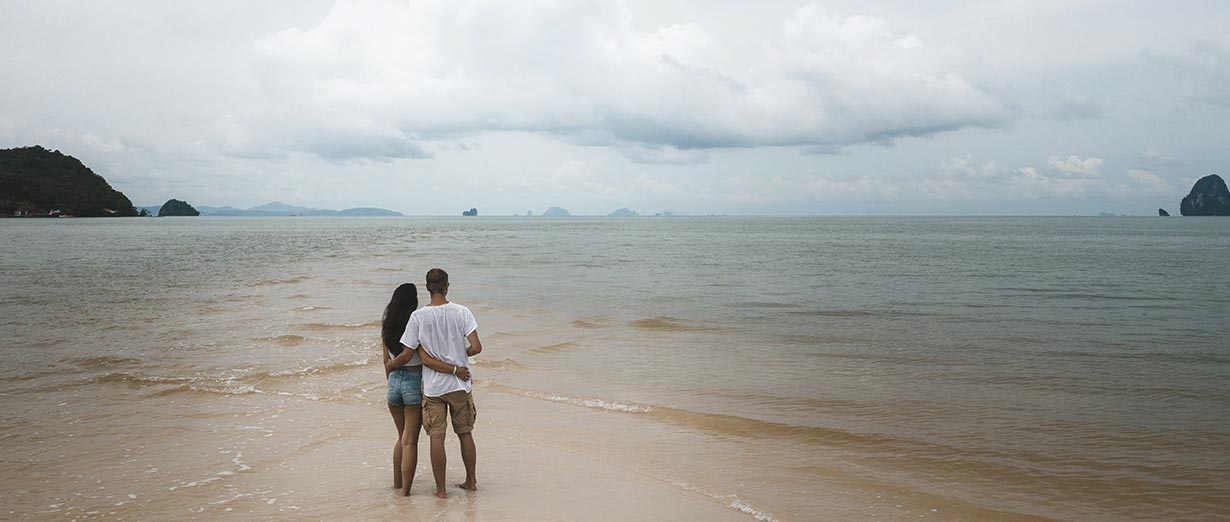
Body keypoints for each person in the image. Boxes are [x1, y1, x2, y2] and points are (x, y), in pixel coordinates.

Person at [389, 268, 482, 499]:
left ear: (427, 288)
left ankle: (441, 490)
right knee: (466, 433)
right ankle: (471, 481)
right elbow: (477, 347)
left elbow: (409, 352)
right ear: (447, 286)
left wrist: (390, 367)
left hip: (433, 388)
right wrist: (461, 355)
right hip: (460, 386)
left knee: (436, 437)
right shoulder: (462, 311)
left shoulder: (418, 317)